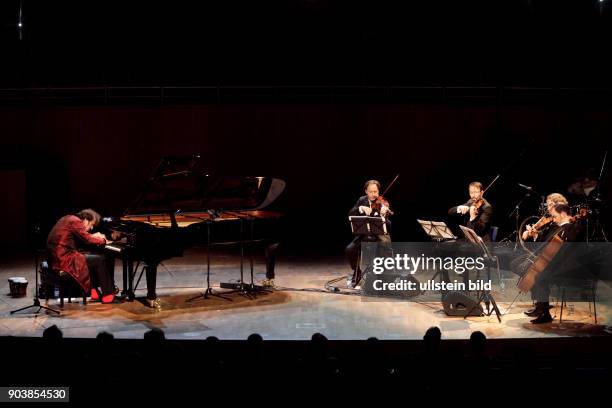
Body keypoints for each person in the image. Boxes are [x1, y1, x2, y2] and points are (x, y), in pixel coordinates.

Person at [519, 203, 581, 324]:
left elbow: (569, 247)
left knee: (540, 276)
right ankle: (539, 307)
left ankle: (545, 313)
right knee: (534, 270)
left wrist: (568, 225)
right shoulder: (556, 226)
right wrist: (535, 235)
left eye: (555, 216)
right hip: (554, 264)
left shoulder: (572, 228)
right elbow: (545, 242)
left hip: (567, 268)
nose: (553, 218)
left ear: (563, 214)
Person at [47, 209, 121, 304]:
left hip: (57, 257)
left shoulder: (68, 218)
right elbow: (87, 239)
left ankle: (95, 293)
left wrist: (94, 236)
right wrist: (104, 240)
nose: (91, 228)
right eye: (91, 224)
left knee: (91, 258)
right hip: (64, 259)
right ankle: (108, 295)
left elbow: (83, 236)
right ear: (86, 220)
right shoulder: (75, 221)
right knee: (100, 259)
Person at [345, 180, 393, 287]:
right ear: (366, 191)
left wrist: (384, 216)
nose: (373, 194)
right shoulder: (361, 200)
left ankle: (383, 276)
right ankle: (357, 272)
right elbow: (350, 213)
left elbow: (388, 226)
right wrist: (360, 208)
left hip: (379, 235)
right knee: (350, 250)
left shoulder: (383, 202)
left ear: (378, 191)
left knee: (385, 247)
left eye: (375, 192)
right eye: (371, 192)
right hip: (364, 234)